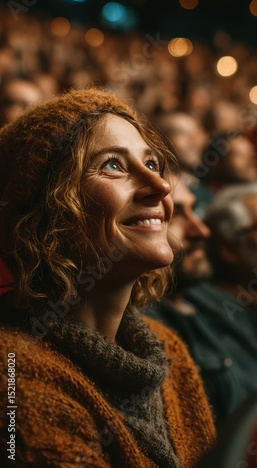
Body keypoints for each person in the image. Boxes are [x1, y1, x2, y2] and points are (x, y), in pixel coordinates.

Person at [0, 88, 215, 466]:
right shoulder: (15, 375)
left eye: (151, 163)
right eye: (113, 165)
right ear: (48, 210)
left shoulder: (169, 351)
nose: (162, 186)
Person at [146, 180, 257, 423]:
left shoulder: (210, 300)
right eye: (175, 213)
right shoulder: (148, 325)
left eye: (194, 211)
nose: (201, 231)